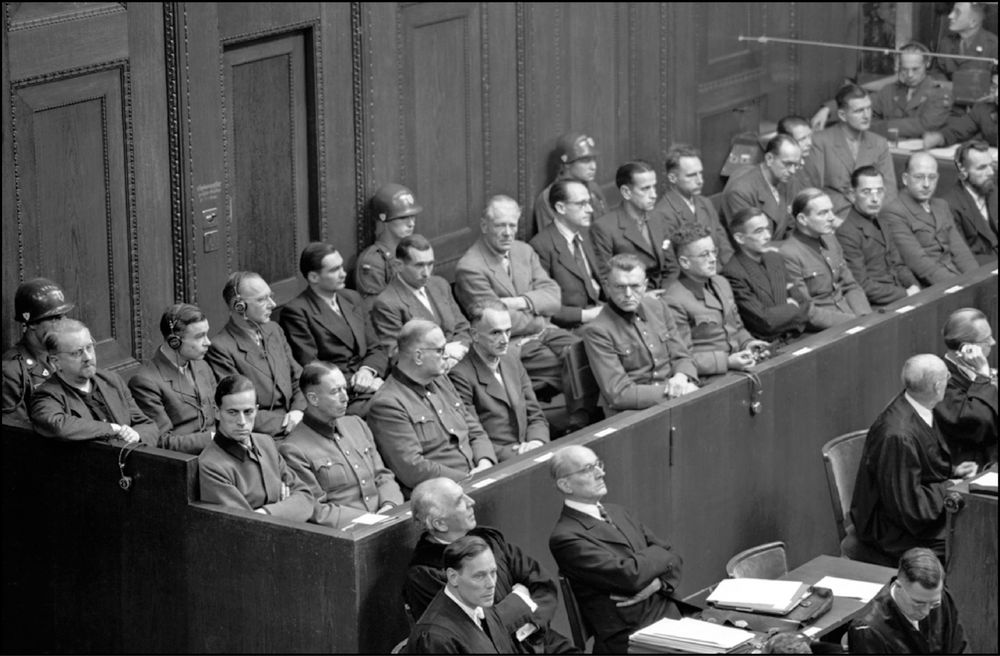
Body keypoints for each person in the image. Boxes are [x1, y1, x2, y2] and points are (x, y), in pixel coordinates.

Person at [405, 478, 573, 654]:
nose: (472, 502)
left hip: (538, 636)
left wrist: (530, 625)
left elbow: (542, 585)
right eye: (460, 501)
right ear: (439, 523)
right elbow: (475, 628)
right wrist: (520, 600)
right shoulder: (425, 573)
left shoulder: (489, 541)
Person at [549, 445, 685, 654]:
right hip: (632, 639)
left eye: (598, 464)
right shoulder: (566, 537)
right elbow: (630, 576)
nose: (601, 473)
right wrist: (657, 558)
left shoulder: (618, 512)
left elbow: (674, 556)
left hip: (670, 616)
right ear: (565, 484)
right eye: (588, 469)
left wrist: (656, 583)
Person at [851, 354, 980, 563]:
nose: (950, 381)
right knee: (972, 538)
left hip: (912, 511)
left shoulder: (919, 406)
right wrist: (950, 484)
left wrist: (954, 472)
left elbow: (920, 469)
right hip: (892, 528)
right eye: (948, 377)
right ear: (938, 387)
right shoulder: (898, 435)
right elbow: (910, 508)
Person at [454, 195, 581, 400]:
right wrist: (539, 314)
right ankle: (580, 422)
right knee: (567, 365)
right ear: (484, 225)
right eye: (500, 226)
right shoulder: (470, 268)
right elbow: (496, 322)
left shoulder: (523, 250)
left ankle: (584, 418)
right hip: (510, 344)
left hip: (545, 332)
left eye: (512, 225)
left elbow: (554, 297)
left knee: (583, 351)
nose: (507, 233)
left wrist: (520, 302)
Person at [367, 320, 496, 493]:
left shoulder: (440, 380)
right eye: (440, 351)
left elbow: (475, 430)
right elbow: (413, 469)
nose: (447, 356)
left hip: (478, 477)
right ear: (418, 356)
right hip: (441, 496)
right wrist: (470, 479)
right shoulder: (387, 404)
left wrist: (485, 462)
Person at [278, 361, 402, 529]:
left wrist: (389, 506)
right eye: (335, 392)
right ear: (313, 398)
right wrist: (369, 520)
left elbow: (383, 475)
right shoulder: (293, 449)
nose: (345, 397)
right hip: (348, 533)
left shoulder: (356, 424)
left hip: (386, 516)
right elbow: (315, 508)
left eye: (344, 388)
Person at [279, 243, 389, 417]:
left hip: (370, 384)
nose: (343, 274)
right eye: (334, 270)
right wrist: (358, 383)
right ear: (314, 277)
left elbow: (376, 347)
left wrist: (367, 371)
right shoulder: (297, 312)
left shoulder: (351, 298)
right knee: (391, 408)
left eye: (342, 267)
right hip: (341, 396)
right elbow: (312, 369)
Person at [581, 254, 698, 413]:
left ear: (645, 286)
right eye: (620, 287)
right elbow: (619, 394)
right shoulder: (597, 330)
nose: (628, 294)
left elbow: (682, 355)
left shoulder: (658, 308)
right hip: (632, 412)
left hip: (674, 397)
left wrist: (681, 377)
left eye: (635, 286)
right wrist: (674, 392)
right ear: (607, 287)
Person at [197, 374, 313, 520]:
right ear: (217, 412)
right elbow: (246, 525)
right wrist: (284, 506)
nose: (242, 421)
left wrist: (264, 513)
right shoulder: (211, 465)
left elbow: (306, 499)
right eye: (232, 412)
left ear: (256, 410)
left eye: (248, 412)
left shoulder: (266, 443)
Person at [206, 271, 307, 436]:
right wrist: (285, 422)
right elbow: (235, 407)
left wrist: (298, 411)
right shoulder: (221, 348)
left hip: (298, 421)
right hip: (267, 435)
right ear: (239, 306)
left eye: (270, 296)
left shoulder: (274, 330)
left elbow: (299, 379)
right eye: (262, 300)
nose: (273, 304)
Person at [664, 223, 769, 376]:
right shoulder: (673, 299)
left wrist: (749, 344)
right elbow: (681, 359)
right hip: (711, 377)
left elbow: (736, 328)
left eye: (714, 252)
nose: (713, 259)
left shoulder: (721, 283)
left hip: (738, 366)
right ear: (685, 262)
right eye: (704, 255)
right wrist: (726, 361)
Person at [448, 301, 548, 462]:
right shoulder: (460, 376)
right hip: (501, 459)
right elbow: (473, 435)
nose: (504, 340)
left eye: (508, 331)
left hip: (531, 448)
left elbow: (535, 413)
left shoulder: (511, 358)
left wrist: (536, 442)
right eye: (495, 333)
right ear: (474, 335)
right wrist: (518, 454)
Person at [30, 319, 157, 444]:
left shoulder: (112, 380)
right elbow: (59, 425)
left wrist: (136, 435)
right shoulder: (46, 395)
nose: (88, 357)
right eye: (77, 353)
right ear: (56, 361)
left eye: (89, 347)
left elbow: (146, 424)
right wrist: (112, 429)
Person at [811, 43, 952, 139]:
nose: (909, 75)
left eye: (915, 69)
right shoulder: (890, 90)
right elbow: (858, 103)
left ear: (926, 64)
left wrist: (873, 127)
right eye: (904, 69)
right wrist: (828, 109)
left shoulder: (939, 93)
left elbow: (924, 125)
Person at [128, 304, 217, 454]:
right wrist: (213, 438)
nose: (208, 342)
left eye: (206, 334)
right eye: (199, 336)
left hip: (217, 452)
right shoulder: (145, 382)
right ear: (174, 342)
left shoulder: (201, 365)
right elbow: (161, 441)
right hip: (185, 461)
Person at [880, 152, 979, 286]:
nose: (926, 184)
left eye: (932, 177)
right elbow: (919, 263)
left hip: (957, 278)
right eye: (919, 177)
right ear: (905, 179)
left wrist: (977, 279)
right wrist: (959, 285)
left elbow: (961, 252)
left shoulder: (941, 205)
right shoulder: (893, 211)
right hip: (931, 286)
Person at [407, 536, 519, 654]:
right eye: (479, 576)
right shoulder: (436, 638)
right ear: (453, 577)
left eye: (493, 572)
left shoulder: (481, 604)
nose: (491, 584)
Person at [777, 189, 871, 330]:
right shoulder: (788, 254)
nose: (832, 217)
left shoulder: (830, 239)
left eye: (831, 211)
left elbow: (850, 285)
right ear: (802, 219)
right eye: (823, 213)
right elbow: (807, 311)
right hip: (825, 330)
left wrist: (865, 316)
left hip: (852, 317)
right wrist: (853, 322)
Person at [848, 547, 968, 654]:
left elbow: (959, 647)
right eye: (918, 603)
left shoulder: (943, 598)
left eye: (934, 604)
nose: (926, 612)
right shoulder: (869, 630)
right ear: (899, 587)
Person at [371, 234, 471, 361]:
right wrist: (444, 353)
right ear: (398, 265)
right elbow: (397, 355)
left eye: (430, 264)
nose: (426, 273)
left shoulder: (440, 284)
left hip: (460, 361)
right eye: (419, 265)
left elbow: (463, 328)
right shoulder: (387, 303)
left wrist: (459, 353)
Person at [802, 83, 897, 215]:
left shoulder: (879, 143)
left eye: (869, 108)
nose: (866, 115)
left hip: (873, 216)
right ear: (842, 115)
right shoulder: (820, 141)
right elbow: (812, 191)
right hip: (833, 216)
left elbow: (890, 191)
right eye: (859, 111)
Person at [722, 207, 812, 342]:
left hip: (798, 335)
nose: (767, 236)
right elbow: (764, 322)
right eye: (759, 231)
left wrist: (779, 311)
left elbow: (804, 305)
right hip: (772, 345)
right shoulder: (733, 273)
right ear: (740, 238)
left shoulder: (774, 258)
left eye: (767, 228)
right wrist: (791, 307)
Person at [836, 166, 921, 308]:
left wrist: (914, 287)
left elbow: (898, 265)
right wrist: (905, 294)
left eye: (879, 191)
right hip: (877, 305)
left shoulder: (882, 222)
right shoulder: (846, 233)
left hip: (899, 293)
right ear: (852, 195)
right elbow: (862, 285)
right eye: (866, 192)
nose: (875, 199)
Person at [528, 180, 604, 330]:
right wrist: (586, 315)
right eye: (581, 204)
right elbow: (544, 305)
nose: (589, 209)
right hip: (573, 326)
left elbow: (603, 278)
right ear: (561, 207)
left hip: (602, 312)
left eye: (589, 202)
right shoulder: (541, 246)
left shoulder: (587, 234)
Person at [590, 161, 678, 289]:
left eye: (654, 187)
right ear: (626, 192)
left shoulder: (658, 218)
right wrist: (644, 299)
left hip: (665, 294)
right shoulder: (604, 228)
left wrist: (665, 295)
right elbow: (605, 279)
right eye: (645, 189)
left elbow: (672, 268)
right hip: (631, 298)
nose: (654, 195)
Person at [2, 278, 74, 424]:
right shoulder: (13, 370)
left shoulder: (65, 355)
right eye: (55, 318)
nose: (64, 324)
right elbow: (17, 431)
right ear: (32, 323)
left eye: (64, 316)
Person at [935, 308, 998, 467]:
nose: (993, 342)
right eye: (986, 339)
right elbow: (979, 425)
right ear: (967, 349)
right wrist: (983, 377)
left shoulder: (978, 371)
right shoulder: (942, 382)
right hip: (972, 465)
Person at [653, 145, 733, 265]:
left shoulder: (704, 202)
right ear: (672, 178)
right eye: (691, 175)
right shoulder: (663, 213)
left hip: (720, 273)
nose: (700, 180)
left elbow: (723, 245)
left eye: (700, 173)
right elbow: (672, 262)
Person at [722, 135, 803, 242]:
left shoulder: (787, 181)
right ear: (769, 159)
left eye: (795, 165)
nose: (792, 170)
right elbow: (750, 241)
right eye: (787, 164)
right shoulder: (740, 191)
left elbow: (791, 225)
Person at [355, 182, 422, 302]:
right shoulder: (374, 261)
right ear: (383, 219)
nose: (411, 223)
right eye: (403, 218)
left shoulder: (413, 250)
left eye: (413, 216)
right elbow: (376, 310)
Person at [533, 132, 608, 233]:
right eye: (585, 161)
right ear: (567, 163)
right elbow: (552, 243)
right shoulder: (548, 198)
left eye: (594, 160)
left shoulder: (593, 188)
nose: (593, 167)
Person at [941, 140, 998, 264]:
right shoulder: (950, 205)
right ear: (963, 170)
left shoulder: (994, 191)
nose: (991, 172)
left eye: (991, 165)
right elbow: (963, 256)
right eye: (982, 168)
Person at [925, 68, 998, 147]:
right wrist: (940, 137)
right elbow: (960, 129)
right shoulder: (983, 107)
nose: (997, 94)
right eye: (994, 87)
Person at [931, 1, 998, 81]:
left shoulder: (993, 45)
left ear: (973, 22)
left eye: (957, 13)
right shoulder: (946, 43)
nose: (950, 16)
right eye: (952, 11)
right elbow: (937, 73)